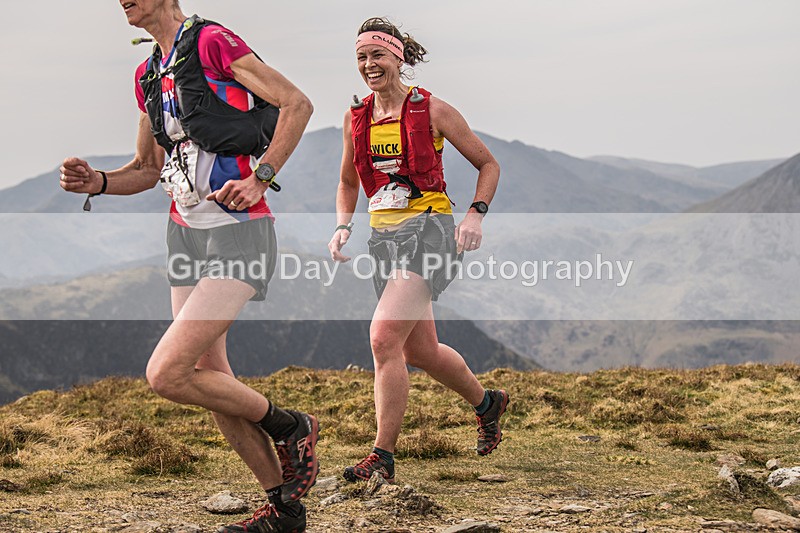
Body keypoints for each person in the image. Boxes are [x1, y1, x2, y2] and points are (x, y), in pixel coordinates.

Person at [60, 1, 317, 531]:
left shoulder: (212, 42)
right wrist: (99, 182)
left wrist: (260, 177)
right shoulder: (148, 73)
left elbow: (297, 103)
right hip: (184, 235)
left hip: (239, 232)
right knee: (209, 376)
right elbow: (148, 168)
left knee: (168, 372)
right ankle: (284, 508)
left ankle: (290, 424)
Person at [328, 17, 509, 484]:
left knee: (384, 338)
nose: (369, 65)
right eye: (362, 57)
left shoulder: (432, 110)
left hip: (429, 232)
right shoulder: (356, 120)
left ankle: (381, 457)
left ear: (399, 57)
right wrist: (342, 227)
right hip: (383, 238)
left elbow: (488, 164)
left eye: (378, 55)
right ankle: (488, 404)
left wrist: (475, 214)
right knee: (422, 350)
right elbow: (349, 182)